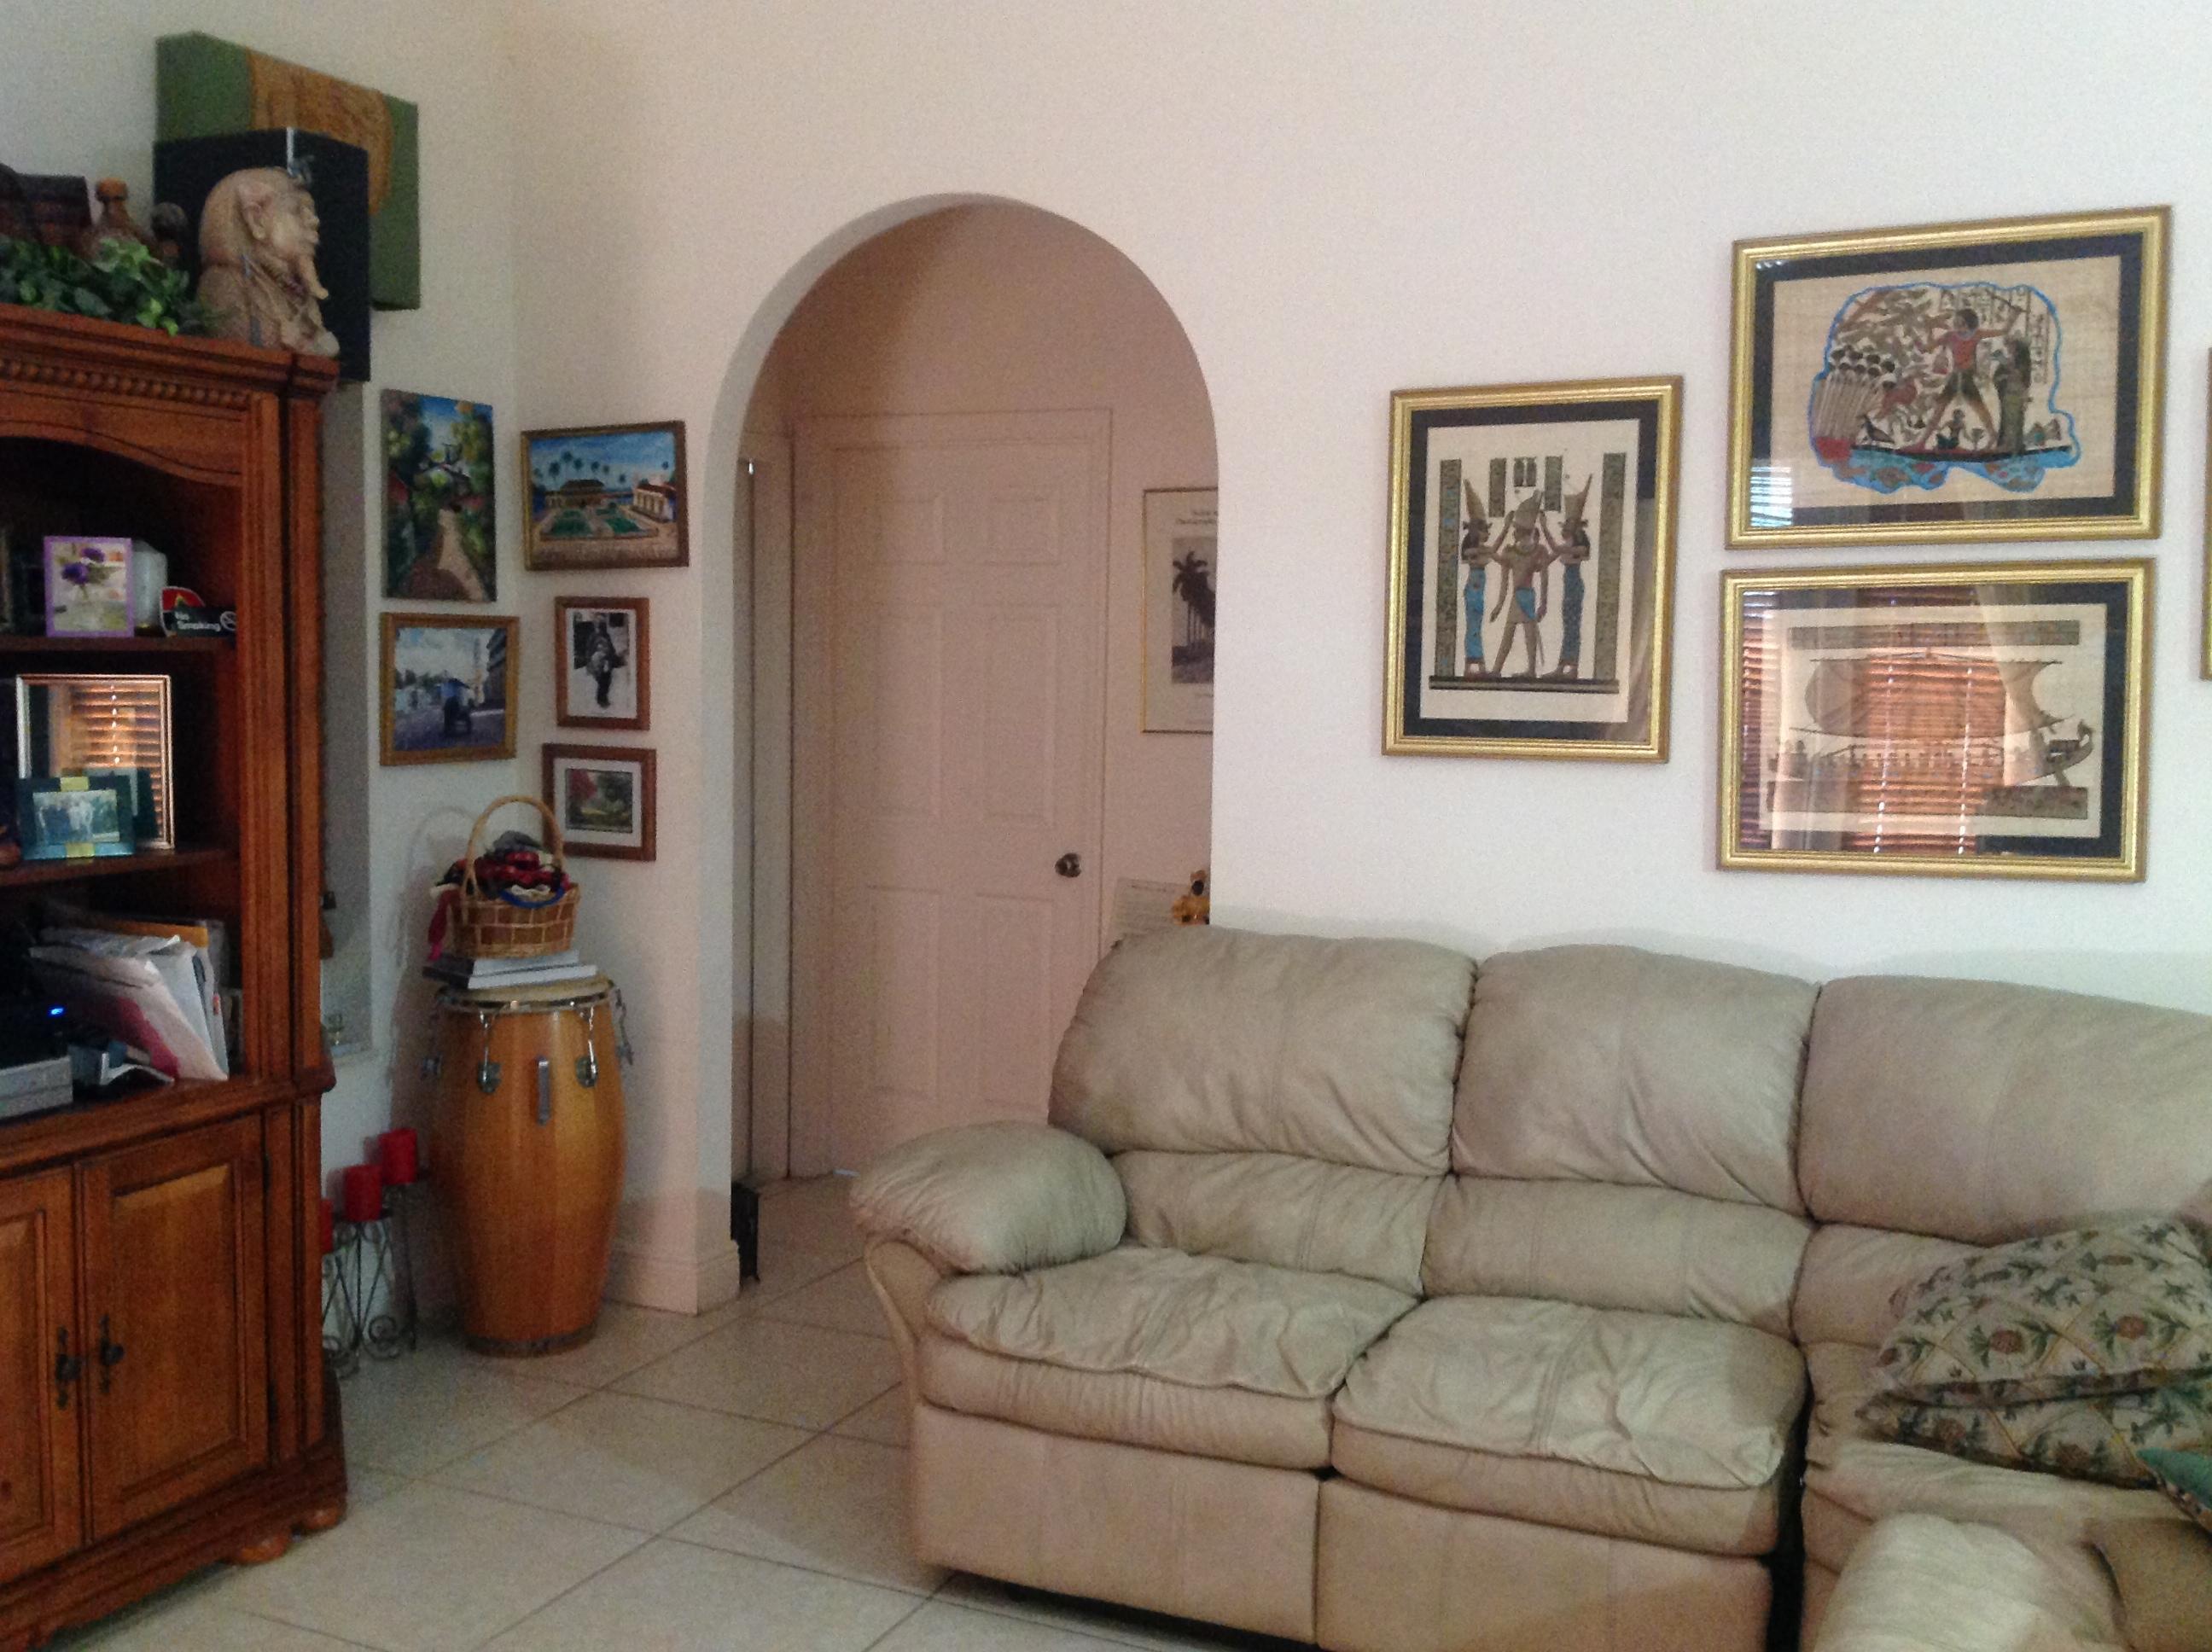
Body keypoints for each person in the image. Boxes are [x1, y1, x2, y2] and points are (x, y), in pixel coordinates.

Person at [195, 166, 340, 358]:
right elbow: (243, 360)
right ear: (256, 220)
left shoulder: (298, 293)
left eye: (310, 211)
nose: (314, 221)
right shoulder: (225, 284)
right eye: (297, 211)